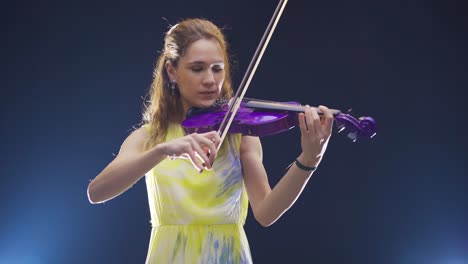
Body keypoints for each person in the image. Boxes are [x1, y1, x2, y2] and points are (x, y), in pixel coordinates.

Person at [87, 18, 334, 264]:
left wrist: (309, 159)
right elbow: (97, 192)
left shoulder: (241, 135)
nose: (210, 80)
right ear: (172, 71)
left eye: (217, 68)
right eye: (197, 68)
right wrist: (161, 150)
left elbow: (266, 213)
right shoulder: (149, 137)